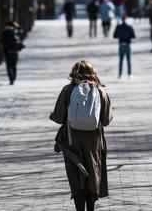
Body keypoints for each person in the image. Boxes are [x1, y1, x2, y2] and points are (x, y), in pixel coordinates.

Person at [50, 60, 113, 211]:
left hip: (71, 140)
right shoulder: (100, 91)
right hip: (94, 141)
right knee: (92, 173)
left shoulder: (67, 90)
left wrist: (52, 115)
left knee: (75, 175)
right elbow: (106, 121)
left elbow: (58, 117)